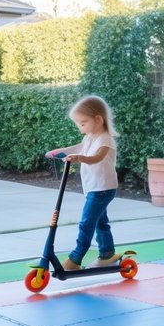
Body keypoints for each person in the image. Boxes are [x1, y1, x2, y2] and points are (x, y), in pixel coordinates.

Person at [47, 95, 119, 271]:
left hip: (103, 188)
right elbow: (79, 148)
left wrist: (79, 158)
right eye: (78, 124)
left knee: (87, 223)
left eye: (83, 123)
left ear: (98, 119)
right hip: (94, 187)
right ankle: (107, 254)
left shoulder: (105, 139)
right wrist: (61, 152)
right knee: (100, 222)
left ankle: (75, 258)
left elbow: (96, 158)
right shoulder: (90, 137)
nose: (80, 128)